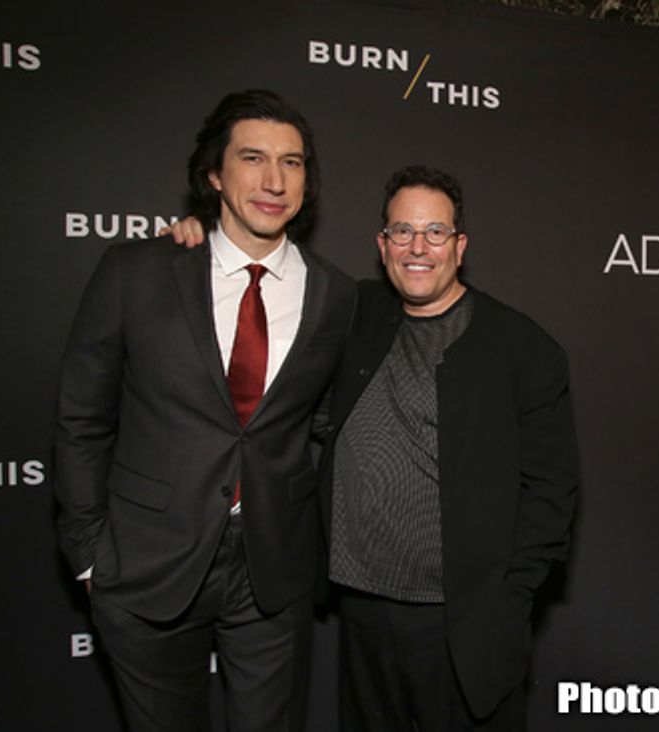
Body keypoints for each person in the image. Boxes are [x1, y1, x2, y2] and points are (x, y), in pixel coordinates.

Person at [166, 165, 580, 731]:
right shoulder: (352, 311)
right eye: (402, 232)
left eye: (435, 232)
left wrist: (508, 599)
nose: (418, 248)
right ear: (381, 244)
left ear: (460, 245)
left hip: (462, 624)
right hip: (359, 611)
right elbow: (266, 273)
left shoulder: (523, 349)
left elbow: (553, 491)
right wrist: (199, 238)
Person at [53, 89, 357, 732]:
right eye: (253, 158)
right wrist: (88, 552)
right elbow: (83, 416)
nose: (274, 180)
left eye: (293, 162)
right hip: (146, 561)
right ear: (215, 174)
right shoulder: (138, 271)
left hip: (272, 569)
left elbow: (329, 418)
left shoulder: (336, 294)